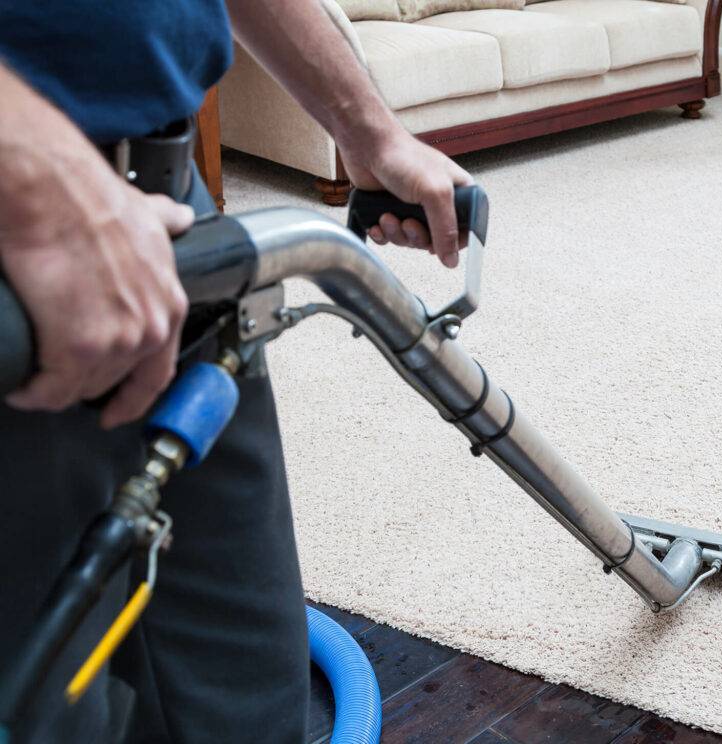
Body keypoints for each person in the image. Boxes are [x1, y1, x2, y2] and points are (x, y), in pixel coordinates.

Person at [0, 0, 471, 740]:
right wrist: (28, 173)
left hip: (172, 206)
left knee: (249, 680)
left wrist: (367, 129)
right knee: (51, 708)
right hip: (29, 252)